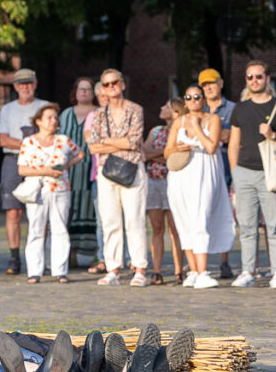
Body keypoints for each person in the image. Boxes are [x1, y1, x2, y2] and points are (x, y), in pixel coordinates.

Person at [228, 60, 276, 289]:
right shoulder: (240, 109)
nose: (254, 81)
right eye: (250, 77)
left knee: (275, 226)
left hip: (271, 174)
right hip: (244, 172)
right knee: (246, 226)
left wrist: (273, 135)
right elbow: (233, 144)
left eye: (258, 76)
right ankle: (248, 271)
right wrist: (235, 172)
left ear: (267, 78)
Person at [85, 69, 149, 286]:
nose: (111, 86)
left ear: (122, 84)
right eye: (106, 84)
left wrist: (108, 143)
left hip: (132, 168)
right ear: (102, 88)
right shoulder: (98, 114)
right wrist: (119, 142)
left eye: (114, 82)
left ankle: (139, 267)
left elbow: (134, 141)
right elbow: (93, 145)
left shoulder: (135, 109)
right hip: (107, 171)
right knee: (110, 220)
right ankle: (113, 268)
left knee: (135, 219)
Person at [166, 85, 233, 290]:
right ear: (184, 101)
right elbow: (167, 152)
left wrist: (196, 128)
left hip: (205, 172)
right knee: (184, 221)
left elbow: (212, 147)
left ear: (203, 99)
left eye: (197, 96)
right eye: (189, 97)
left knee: (201, 218)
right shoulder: (178, 122)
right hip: (181, 176)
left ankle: (204, 271)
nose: (194, 100)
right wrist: (178, 147)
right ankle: (194, 271)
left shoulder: (213, 119)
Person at [16, 104, 82, 283]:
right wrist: (46, 171)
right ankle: (34, 271)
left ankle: (60, 270)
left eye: (55, 118)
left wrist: (67, 165)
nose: (53, 121)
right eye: (49, 118)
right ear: (39, 121)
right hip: (38, 190)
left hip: (60, 189)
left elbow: (80, 154)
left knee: (60, 229)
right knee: (36, 229)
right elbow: (22, 169)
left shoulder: (63, 140)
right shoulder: (29, 142)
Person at [0, 67, 49, 275]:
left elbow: (50, 137)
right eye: (21, 84)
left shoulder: (44, 107)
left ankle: (39, 257)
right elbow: (3, 139)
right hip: (13, 161)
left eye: (29, 83)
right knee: (13, 211)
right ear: (16, 87)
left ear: (35, 84)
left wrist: (24, 144)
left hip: (39, 162)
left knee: (40, 211)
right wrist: (31, 143)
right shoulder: (7, 109)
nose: (26, 87)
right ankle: (14, 257)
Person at [198, 67, 238, 278]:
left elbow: (232, 136)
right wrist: (216, 135)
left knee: (224, 212)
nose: (208, 88)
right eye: (204, 85)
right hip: (200, 165)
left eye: (211, 83)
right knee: (200, 212)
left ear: (221, 83)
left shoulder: (232, 109)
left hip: (224, 161)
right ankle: (198, 262)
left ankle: (224, 261)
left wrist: (209, 136)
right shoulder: (197, 106)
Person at [58, 78, 99, 270]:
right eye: (80, 89)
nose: (84, 92)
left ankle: (97, 253)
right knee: (70, 208)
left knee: (92, 208)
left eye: (88, 89)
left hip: (92, 167)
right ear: (75, 92)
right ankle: (71, 253)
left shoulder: (99, 113)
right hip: (70, 169)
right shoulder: (66, 114)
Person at [143, 98, 185, 285]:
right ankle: (157, 271)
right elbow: (145, 153)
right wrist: (167, 156)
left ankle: (179, 270)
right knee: (157, 228)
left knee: (175, 229)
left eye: (167, 106)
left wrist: (161, 155)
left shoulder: (183, 131)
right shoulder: (155, 131)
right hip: (154, 181)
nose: (162, 107)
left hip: (173, 181)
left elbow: (180, 156)